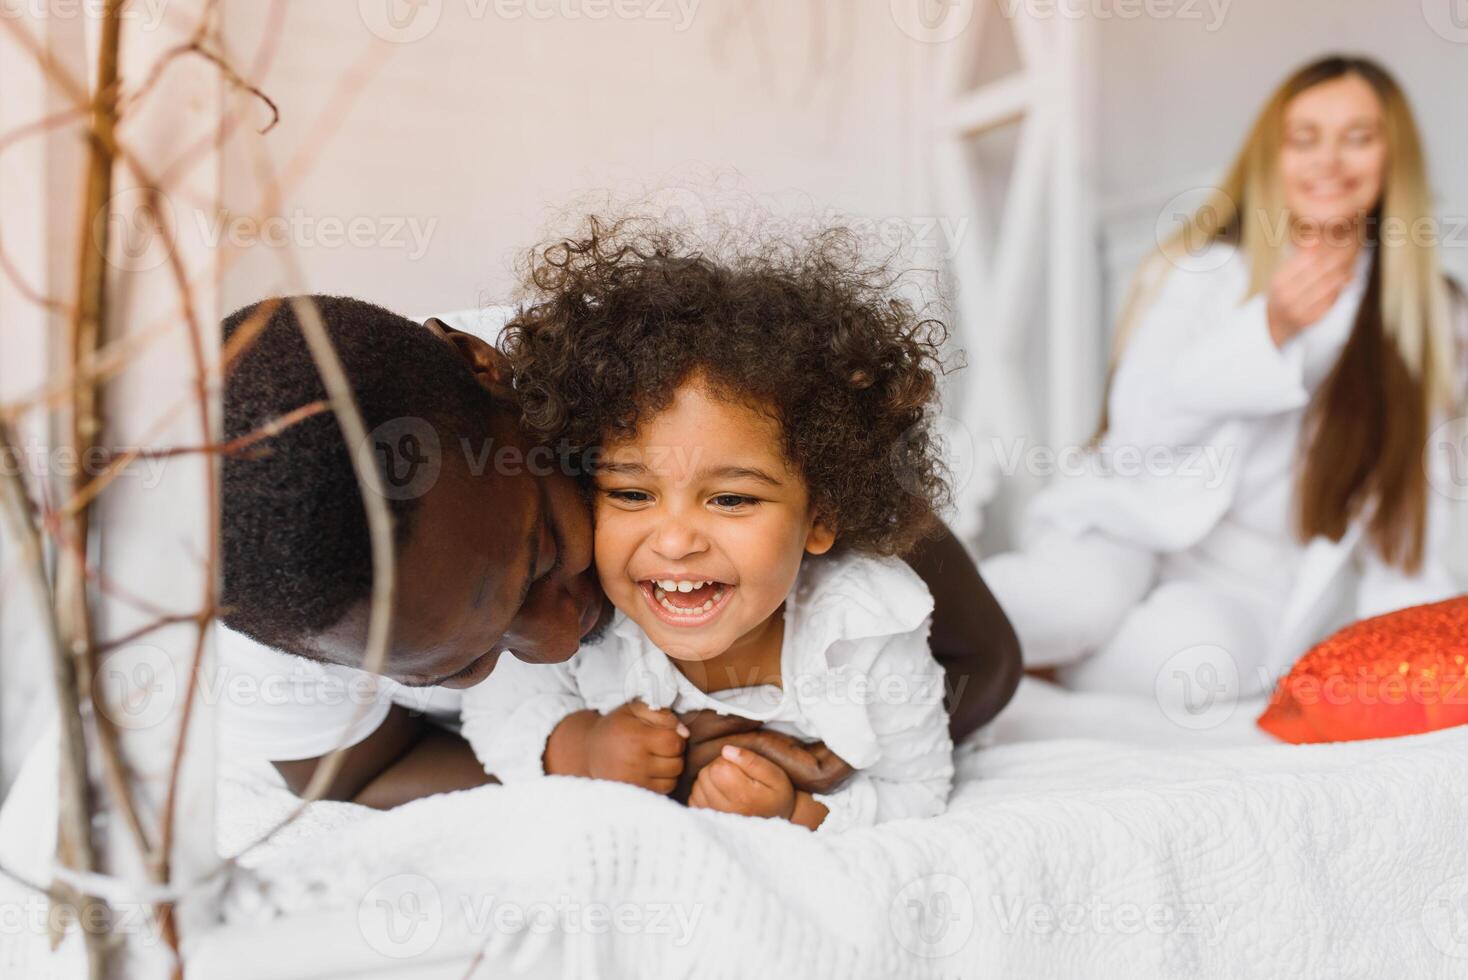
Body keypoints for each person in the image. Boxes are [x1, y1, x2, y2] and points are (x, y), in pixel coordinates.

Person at [218, 291, 1021, 808]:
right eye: (467, 664)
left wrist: (828, 751)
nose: (560, 642)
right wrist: (609, 767)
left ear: (490, 373)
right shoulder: (274, 638)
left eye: (540, 557)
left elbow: (982, 653)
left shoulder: (677, 384)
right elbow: (361, 777)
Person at [982, 55, 1466, 705]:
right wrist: (1269, 330)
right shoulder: (1206, 270)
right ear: (1273, 156)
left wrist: (1418, 641)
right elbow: (1138, 427)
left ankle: (1033, 677)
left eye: (1359, 137)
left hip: (1250, 579)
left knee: (1183, 660)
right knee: (1070, 602)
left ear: (1392, 157)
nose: (1329, 161)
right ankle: (902, 648)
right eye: (1305, 139)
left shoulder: (1430, 317)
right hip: (1130, 520)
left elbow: (1418, 506)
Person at [462, 227, 954, 831]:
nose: (673, 542)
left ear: (820, 518)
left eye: (729, 498)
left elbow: (920, 789)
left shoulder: (865, 635)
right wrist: (581, 749)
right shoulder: (587, 610)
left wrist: (800, 812)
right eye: (632, 493)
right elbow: (493, 713)